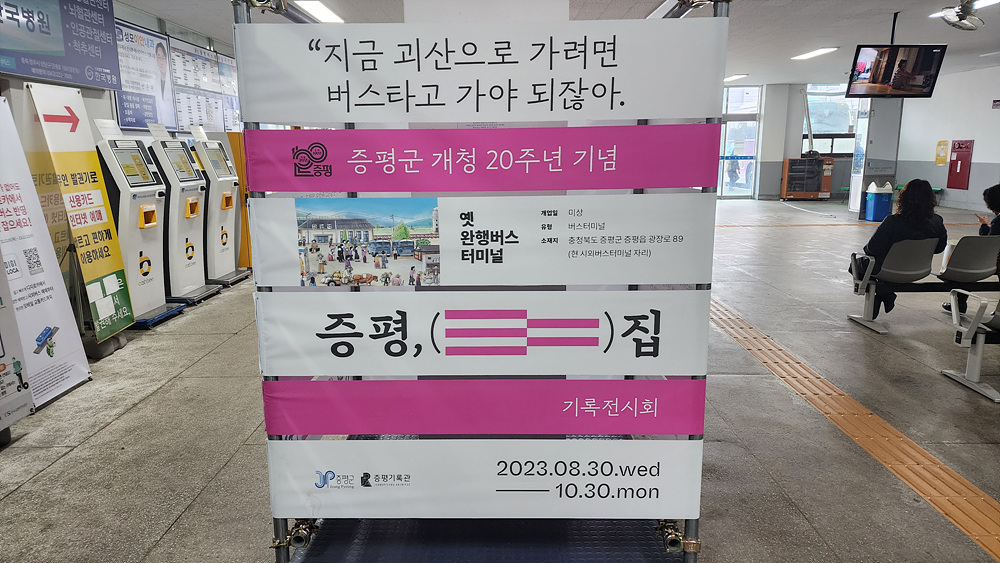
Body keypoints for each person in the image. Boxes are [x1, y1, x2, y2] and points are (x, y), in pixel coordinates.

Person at [852, 179, 947, 318]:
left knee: (855, 265)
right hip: (919, 270)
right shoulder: (937, 221)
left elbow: (871, 250)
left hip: (887, 269)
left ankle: (884, 293)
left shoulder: (892, 222)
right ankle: (884, 294)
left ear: (903, 199)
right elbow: (939, 248)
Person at [943, 183, 1000, 313]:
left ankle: (960, 304)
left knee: (969, 265)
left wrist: (984, 226)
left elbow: (989, 244)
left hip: (996, 262)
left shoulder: (998, 222)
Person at [152, 42, 176, 128]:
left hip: (174, 128)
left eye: (163, 57)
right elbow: (158, 109)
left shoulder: (174, 82)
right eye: (159, 57)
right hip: (163, 129)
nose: (161, 62)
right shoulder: (155, 82)